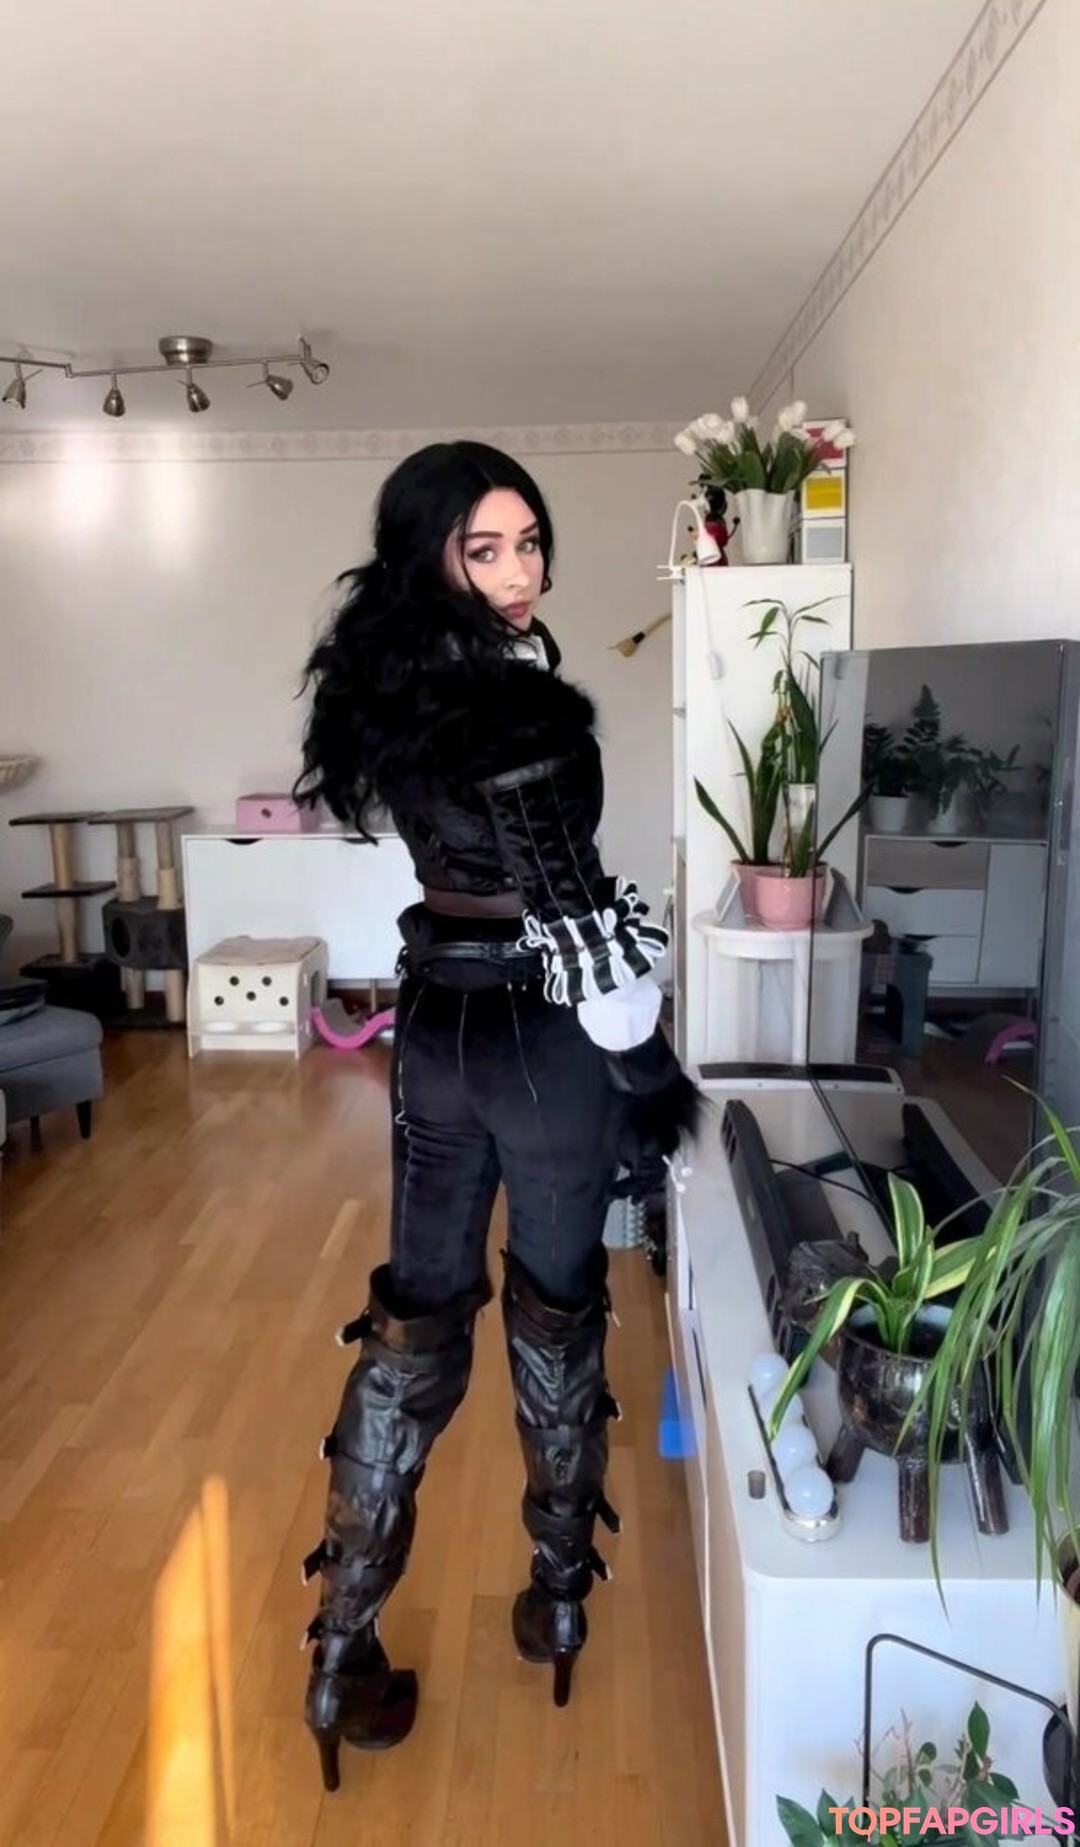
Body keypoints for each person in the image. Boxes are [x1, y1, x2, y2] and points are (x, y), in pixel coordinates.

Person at [293, 440, 700, 1793]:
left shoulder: (391, 688)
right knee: (557, 1305)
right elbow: (571, 915)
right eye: (487, 549)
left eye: (530, 543)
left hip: (434, 1027)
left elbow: (480, 869)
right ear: (435, 556)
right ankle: (559, 1600)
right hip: (540, 1039)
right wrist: (648, 1063)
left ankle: (339, 1655)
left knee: (414, 1323)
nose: (520, 571)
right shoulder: (526, 717)